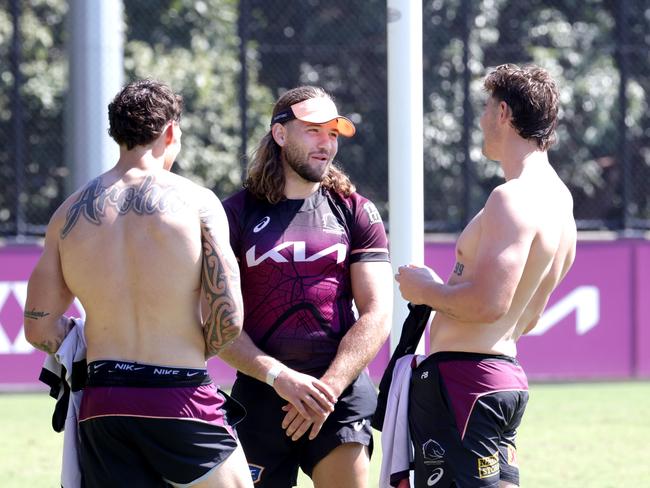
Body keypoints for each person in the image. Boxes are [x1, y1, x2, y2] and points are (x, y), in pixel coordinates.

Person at [24, 79, 254, 488]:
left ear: (117, 134)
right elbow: (229, 317)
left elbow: (39, 327)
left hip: (104, 403)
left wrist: (83, 335)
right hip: (179, 396)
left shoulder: (67, 214)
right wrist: (193, 350)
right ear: (169, 132)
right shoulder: (197, 202)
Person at [395, 64, 577, 488]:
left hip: (466, 382)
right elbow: (527, 316)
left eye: (484, 107)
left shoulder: (511, 197)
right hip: (499, 378)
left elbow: (487, 303)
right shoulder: (561, 204)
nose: (479, 120)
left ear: (503, 113)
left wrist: (426, 290)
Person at [220, 85, 393, 487]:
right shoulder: (234, 214)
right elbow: (216, 321)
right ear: (280, 134)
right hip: (262, 394)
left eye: (333, 134)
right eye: (314, 130)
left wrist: (325, 391)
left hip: (338, 395)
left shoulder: (356, 210)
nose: (326, 144)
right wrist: (280, 378)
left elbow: (377, 313)